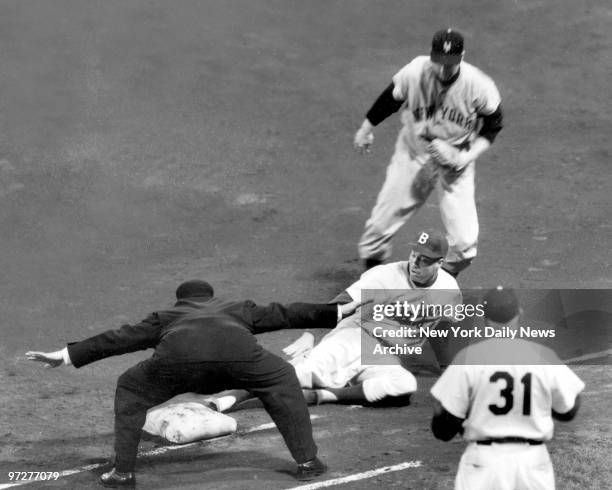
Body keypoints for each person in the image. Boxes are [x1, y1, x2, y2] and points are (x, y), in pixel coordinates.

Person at [26, 280, 358, 488]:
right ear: (210, 296)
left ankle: (123, 474)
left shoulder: (167, 316)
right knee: (282, 378)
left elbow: (119, 338)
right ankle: (308, 463)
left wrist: (66, 355)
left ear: (179, 300)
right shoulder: (236, 309)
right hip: (241, 360)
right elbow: (287, 313)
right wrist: (337, 311)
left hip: (178, 363)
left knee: (130, 388)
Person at [210, 229, 461, 410]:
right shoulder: (384, 277)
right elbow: (342, 303)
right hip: (355, 336)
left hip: (383, 355)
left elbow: (447, 332)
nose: (415, 262)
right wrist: (310, 332)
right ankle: (234, 395)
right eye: (414, 254)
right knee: (304, 372)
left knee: (403, 385)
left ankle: (324, 396)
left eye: (424, 260)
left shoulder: (449, 292)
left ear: (440, 263)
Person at [353, 28, 503, 276]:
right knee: (378, 229)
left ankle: (437, 283)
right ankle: (374, 279)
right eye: (439, 63)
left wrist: (463, 158)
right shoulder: (415, 71)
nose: (444, 70)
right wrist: (365, 129)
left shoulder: (479, 86)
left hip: (456, 160)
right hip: (414, 153)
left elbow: (492, 126)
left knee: (465, 244)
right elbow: (391, 99)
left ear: (462, 57)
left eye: (451, 64)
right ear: (431, 55)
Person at [430, 286, 585, 490]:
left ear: (484, 319)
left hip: (483, 462)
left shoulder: (468, 358)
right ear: (519, 313)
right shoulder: (543, 356)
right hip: (532, 462)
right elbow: (568, 411)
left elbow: (443, 428)